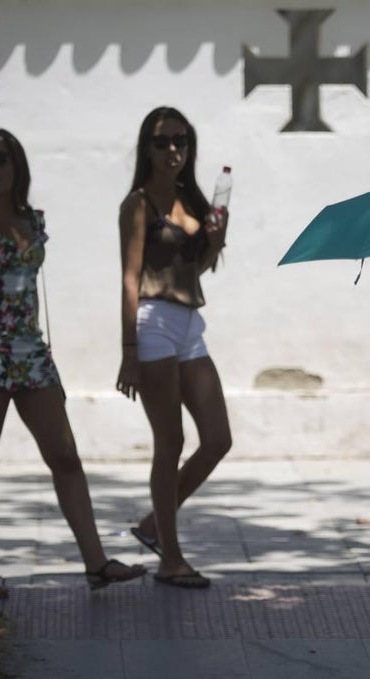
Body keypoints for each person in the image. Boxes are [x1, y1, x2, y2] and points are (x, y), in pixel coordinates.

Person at [0, 128, 145, 598]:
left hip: (31, 354)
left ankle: (97, 564)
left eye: (1, 158)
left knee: (65, 456)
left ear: (17, 167)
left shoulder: (32, 221)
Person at [116, 106, 230, 589]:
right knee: (171, 441)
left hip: (188, 322)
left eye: (180, 141)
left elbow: (194, 270)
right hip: (153, 321)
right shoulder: (138, 203)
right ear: (147, 147)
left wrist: (213, 243)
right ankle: (170, 557)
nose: (172, 151)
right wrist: (128, 350)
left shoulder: (193, 200)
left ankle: (152, 525)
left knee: (218, 438)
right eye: (162, 142)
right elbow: (129, 276)